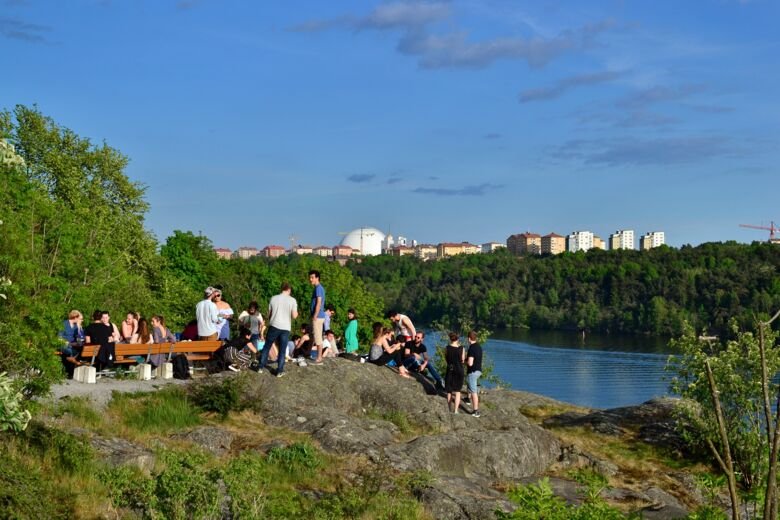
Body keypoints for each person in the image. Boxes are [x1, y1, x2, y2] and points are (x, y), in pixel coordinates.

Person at [257, 282, 299, 377]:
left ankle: (260, 367)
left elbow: (269, 315)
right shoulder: (292, 300)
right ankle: (279, 370)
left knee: (267, 346)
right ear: (289, 290)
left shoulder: (273, 298)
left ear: (281, 289)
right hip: (285, 327)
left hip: (274, 325)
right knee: (282, 349)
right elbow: (294, 316)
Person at [58, 310, 85, 377]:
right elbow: (59, 337)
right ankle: (71, 366)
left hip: (73, 345)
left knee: (82, 349)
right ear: (75, 317)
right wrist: (67, 342)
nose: (81, 320)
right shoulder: (64, 324)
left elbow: (81, 339)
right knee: (69, 351)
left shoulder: (77, 326)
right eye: (80, 319)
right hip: (64, 345)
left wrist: (79, 328)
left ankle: (71, 369)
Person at [444, 332, 466, 414]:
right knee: (457, 391)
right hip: (459, 370)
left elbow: (446, 358)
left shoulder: (447, 348)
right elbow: (463, 360)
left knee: (449, 391)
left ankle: (449, 409)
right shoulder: (462, 348)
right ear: (458, 339)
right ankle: (456, 410)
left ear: (450, 339)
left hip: (450, 369)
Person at [309, 270, 326, 364]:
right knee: (316, 335)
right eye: (310, 277)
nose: (310, 279)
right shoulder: (318, 288)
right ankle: (316, 355)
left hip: (318, 316)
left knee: (318, 337)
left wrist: (315, 315)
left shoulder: (318, 288)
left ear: (317, 278)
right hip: (319, 316)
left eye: (312, 277)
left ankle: (319, 358)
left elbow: (319, 302)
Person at [466, 330, 483, 417]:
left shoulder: (472, 348)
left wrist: (465, 361)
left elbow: (470, 363)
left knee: (474, 391)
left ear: (469, 338)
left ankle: (476, 411)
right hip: (478, 370)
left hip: (472, 372)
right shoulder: (479, 347)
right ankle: (467, 399)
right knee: (471, 386)